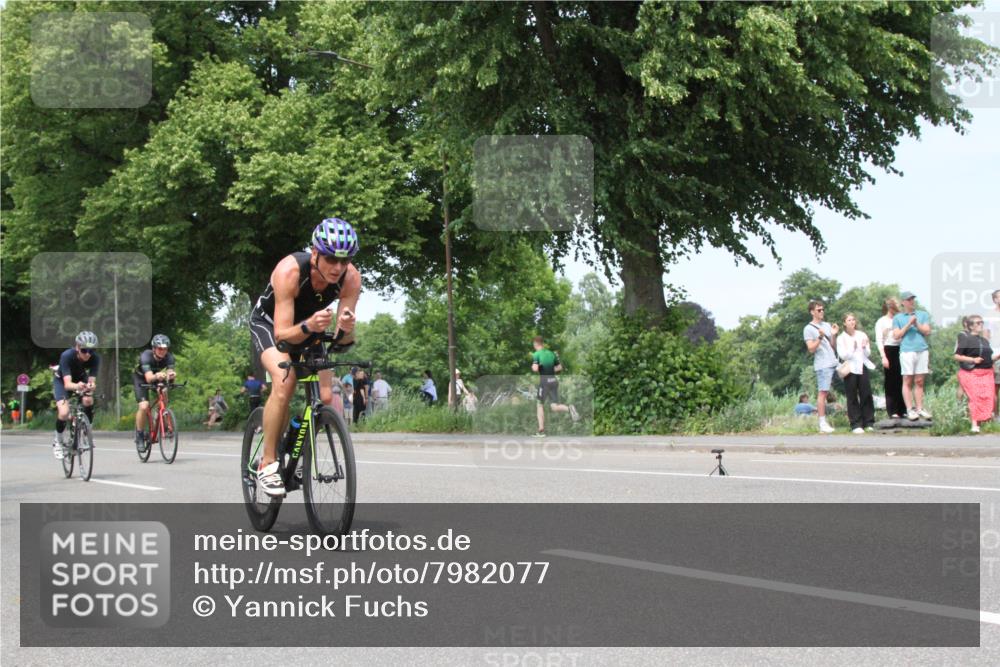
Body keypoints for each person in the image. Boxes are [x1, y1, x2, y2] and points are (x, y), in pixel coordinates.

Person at [249, 218, 360, 496]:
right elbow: (284, 337)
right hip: (272, 325)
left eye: (344, 261)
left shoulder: (350, 278)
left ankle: (297, 442)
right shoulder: (289, 271)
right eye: (331, 259)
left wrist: (345, 330)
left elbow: (342, 343)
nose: (337, 267)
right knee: (284, 382)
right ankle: (268, 462)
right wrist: (310, 325)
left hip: (311, 327)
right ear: (315, 254)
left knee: (324, 398)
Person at [51, 331, 100, 459]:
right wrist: (78, 386)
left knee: (88, 400)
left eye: (91, 350)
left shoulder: (95, 358)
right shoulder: (67, 356)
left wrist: (91, 386)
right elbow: (67, 384)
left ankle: (86, 432)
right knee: (64, 412)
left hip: (80, 379)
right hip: (62, 381)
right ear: (77, 347)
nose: (88, 354)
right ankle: (58, 441)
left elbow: (91, 381)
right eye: (84, 350)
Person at [892, 291, 933, 421]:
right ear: (903, 302)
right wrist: (909, 324)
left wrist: (917, 324)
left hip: (922, 350)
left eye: (912, 299)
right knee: (907, 380)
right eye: (909, 300)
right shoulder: (898, 317)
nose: (911, 301)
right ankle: (910, 409)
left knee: (920, 381)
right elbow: (896, 335)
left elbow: (927, 331)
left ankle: (919, 408)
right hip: (907, 351)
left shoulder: (922, 314)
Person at [954, 315, 999, 433]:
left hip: (987, 373)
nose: (981, 325)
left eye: (981, 322)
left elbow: (988, 358)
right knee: (974, 398)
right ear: (970, 326)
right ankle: (974, 424)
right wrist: (972, 360)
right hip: (972, 372)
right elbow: (957, 356)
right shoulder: (966, 338)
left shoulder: (984, 340)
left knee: (987, 397)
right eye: (978, 323)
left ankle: (981, 423)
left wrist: (997, 357)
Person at [132, 334, 177, 451]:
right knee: (144, 406)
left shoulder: (169, 357)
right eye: (160, 348)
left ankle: (161, 416)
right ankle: (140, 435)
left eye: (165, 349)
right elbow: (149, 378)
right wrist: (157, 375)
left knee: (164, 391)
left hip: (157, 377)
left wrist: (171, 376)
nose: (163, 351)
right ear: (154, 348)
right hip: (141, 379)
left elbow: (170, 374)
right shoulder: (146, 356)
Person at [802, 300, 839, 433]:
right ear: (812, 312)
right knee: (823, 392)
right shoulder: (808, 328)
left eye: (823, 309)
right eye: (819, 310)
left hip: (834, 362)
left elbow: (833, 346)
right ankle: (822, 422)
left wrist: (833, 335)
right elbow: (811, 349)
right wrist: (819, 337)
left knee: (851, 383)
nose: (822, 312)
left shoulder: (827, 325)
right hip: (823, 365)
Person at [531, 335, 580, 437]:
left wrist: (534, 367)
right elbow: (559, 367)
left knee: (539, 405)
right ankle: (569, 408)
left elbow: (535, 369)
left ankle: (541, 431)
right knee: (554, 406)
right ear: (542, 344)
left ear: (535, 344)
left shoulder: (536, 354)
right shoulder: (551, 353)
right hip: (553, 381)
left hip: (544, 382)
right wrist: (549, 370)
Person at [836, 313, 877, 434]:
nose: (852, 322)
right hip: (850, 368)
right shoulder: (841, 338)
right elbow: (843, 355)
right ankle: (855, 423)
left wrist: (864, 347)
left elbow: (868, 353)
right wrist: (852, 349)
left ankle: (869, 422)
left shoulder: (862, 335)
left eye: (853, 319)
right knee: (852, 396)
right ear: (844, 323)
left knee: (866, 394)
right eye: (849, 320)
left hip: (862, 366)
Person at [875, 297, 905, 418]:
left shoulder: (900, 320)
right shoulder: (882, 321)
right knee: (891, 381)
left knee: (902, 380)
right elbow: (879, 339)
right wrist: (883, 356)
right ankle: (892, 410)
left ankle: (903, 409)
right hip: (889, 349)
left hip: (901, 349)